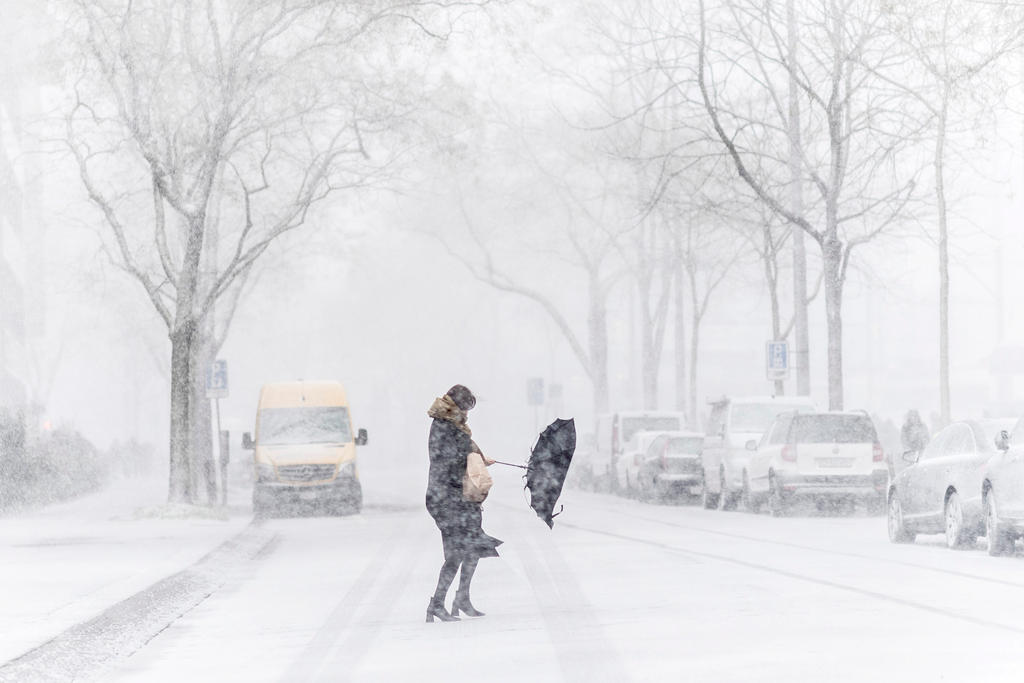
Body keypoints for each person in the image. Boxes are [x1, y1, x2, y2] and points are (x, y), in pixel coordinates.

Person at [425, 384, 502, 622]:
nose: (468, 414)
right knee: (457, 552)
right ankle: (437, 604)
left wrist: (478, 458)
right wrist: (473, 459)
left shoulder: (454, 426)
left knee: (473, 547)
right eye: (466, 408)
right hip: (446, 498)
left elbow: (465, 451)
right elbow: (448, 461)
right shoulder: (443, 426)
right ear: (456, 406)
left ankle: (462, 597)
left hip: (459, 498)